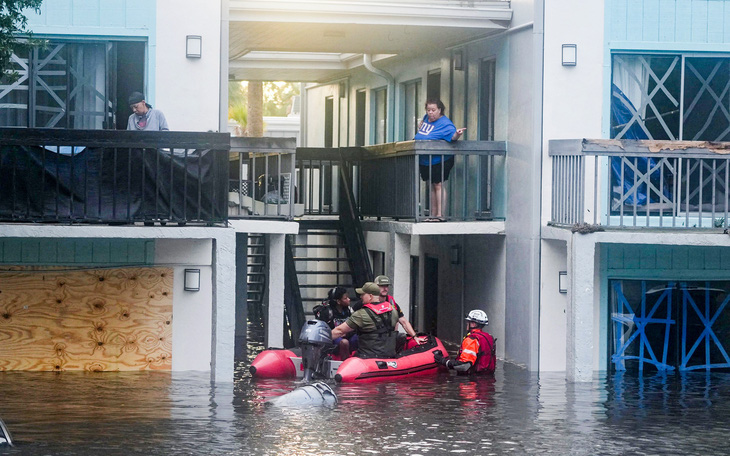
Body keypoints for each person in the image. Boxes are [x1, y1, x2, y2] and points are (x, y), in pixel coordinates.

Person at [414, 99, 466, 221]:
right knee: (431, 184)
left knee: (438, 184)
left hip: (439, 159)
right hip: (426, 158)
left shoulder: (445, 124)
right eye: (428, 110)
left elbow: (452, 137)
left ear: (440, 110)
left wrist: (458, 134)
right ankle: (432, 215)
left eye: (433, 110)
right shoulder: (426, 118)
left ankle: (440, 215)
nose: (430, 113)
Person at [331, 282, 399, 359]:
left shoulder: (361, 314)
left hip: (367, 357)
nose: (360, 297)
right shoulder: (393, 310)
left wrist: (322, 338)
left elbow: (339, 331)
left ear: (370, 296)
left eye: (363, 294)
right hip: (389, 356)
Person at [434, 309, 495, 374]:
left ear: (473, 324)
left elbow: (464, 366)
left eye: (468, 322)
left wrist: (443, 361)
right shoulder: (489, 337)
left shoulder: (471, 340)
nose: (466, 324)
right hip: (487, 378)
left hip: (472, 380)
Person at [373, 275, 423, 345]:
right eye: (381, 286)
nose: (385, 288)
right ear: (375, 287)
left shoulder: (392, 304)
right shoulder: (367, 301)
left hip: (388, 337)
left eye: (386, 286)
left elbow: (404, 322)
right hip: (373, 337)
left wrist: (415, 337)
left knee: (401, 337)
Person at [313, 287, 358, 360]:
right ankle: (344, 363)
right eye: (345, 298)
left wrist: (347, 333)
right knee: (344, 342)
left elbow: (354, 327)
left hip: (348, 336)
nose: (349, 299)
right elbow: (323, 331)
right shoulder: (328, 312)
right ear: (338, 301)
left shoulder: (348, 311)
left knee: (362, 337)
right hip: (333, 340)